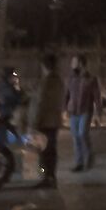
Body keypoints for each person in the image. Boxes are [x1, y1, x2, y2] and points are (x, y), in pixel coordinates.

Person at [33, 54, 66, 188]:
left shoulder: (46, 82)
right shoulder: (58, 81)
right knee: (51, 150)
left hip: (45, 121)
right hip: (54, 120)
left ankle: (47, 177)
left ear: (44, 66)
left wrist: (35, 121)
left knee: (45, 151)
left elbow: (40, 103)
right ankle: (51, 177)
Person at [64, 56, 100, 172]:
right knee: (75, 137)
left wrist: (98, 113)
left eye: (74, 62)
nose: (72, 64)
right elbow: (66, 94)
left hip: (85, 111)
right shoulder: (70, 78)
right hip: (73, 111)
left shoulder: (91, 79)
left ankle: (89, 157)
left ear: (81, 64)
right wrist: (65, 109)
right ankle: (79, 163)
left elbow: (97, 97)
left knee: (82, 134)